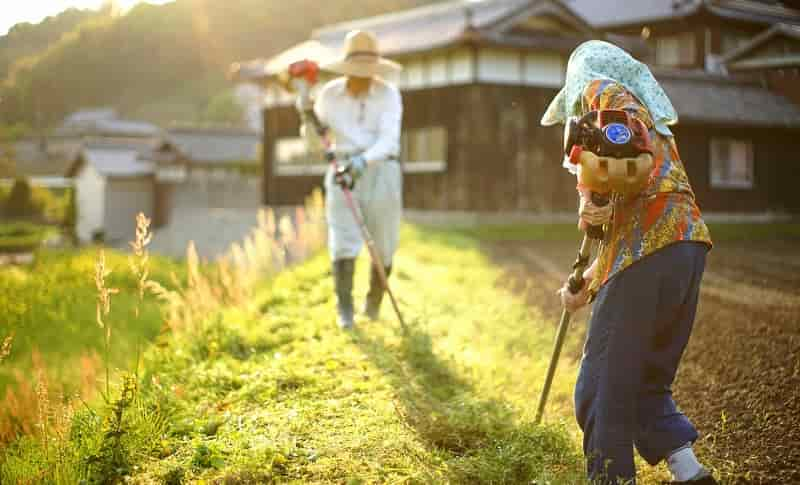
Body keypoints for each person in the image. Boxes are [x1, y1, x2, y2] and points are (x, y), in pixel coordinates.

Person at [541, 41, 715, 485]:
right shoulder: (652, 119)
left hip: (647, 253)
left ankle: (611, 478)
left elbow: (614, 161)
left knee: (599, 389)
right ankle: (690, 473)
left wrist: (592, 196)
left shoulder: (605, 92)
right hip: (686, 247)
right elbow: (626, 207)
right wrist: (587, 281)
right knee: (645, 384)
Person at [295, 30, 403, 329]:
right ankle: (346, 312)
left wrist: (363, 161)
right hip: (341, 171)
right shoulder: (329, 95)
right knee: (343, 241)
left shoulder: (388, 94)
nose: (363, 77)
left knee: (384, 243)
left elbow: (389, 141)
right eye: (357, 72)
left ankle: (373, 305)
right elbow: (315, 144)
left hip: (382, 169)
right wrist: (304, 106)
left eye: (368, 72)